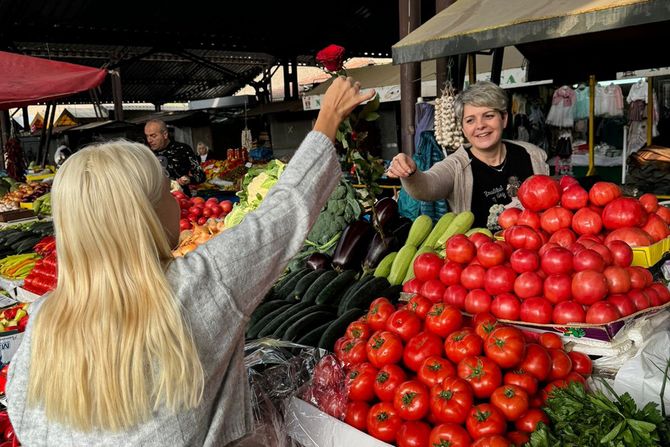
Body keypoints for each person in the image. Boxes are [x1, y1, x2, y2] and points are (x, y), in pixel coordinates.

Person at [5, 76, 374, 446]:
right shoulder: (199, 286)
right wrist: (327, 119)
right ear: (145, 217)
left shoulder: (45, 320)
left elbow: (24, 419)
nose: (175, 199)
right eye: (166, 191)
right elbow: (284, 213)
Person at [386, 81, 549, 227]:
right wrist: (411, 174)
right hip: (481, 257)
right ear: (463, 128)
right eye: (470, 120)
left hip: (533, 254)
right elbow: (428, 186)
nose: (480, 126)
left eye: (489, 116)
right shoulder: (456, 165)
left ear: (504, 118)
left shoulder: (532, 155)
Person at [144, 119, 206, 196]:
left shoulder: (183, 149)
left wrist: (189, 179)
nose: (149, 140)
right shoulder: (146, 153)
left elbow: (200, 175)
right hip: (156, 199)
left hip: (181, 200)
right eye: (147, 136)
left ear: (165, 134)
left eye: (153, 136)